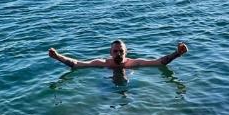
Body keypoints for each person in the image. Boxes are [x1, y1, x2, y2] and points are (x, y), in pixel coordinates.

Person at [48, 39, 188, 69]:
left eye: (121, 51)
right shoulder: (102, 63)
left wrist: (177, 53)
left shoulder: (133, 63)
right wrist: (58, 57)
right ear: (110, 53)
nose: (118, 53)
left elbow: (160, 62)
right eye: (115, 51)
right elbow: (77, 64)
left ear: (126, 52)